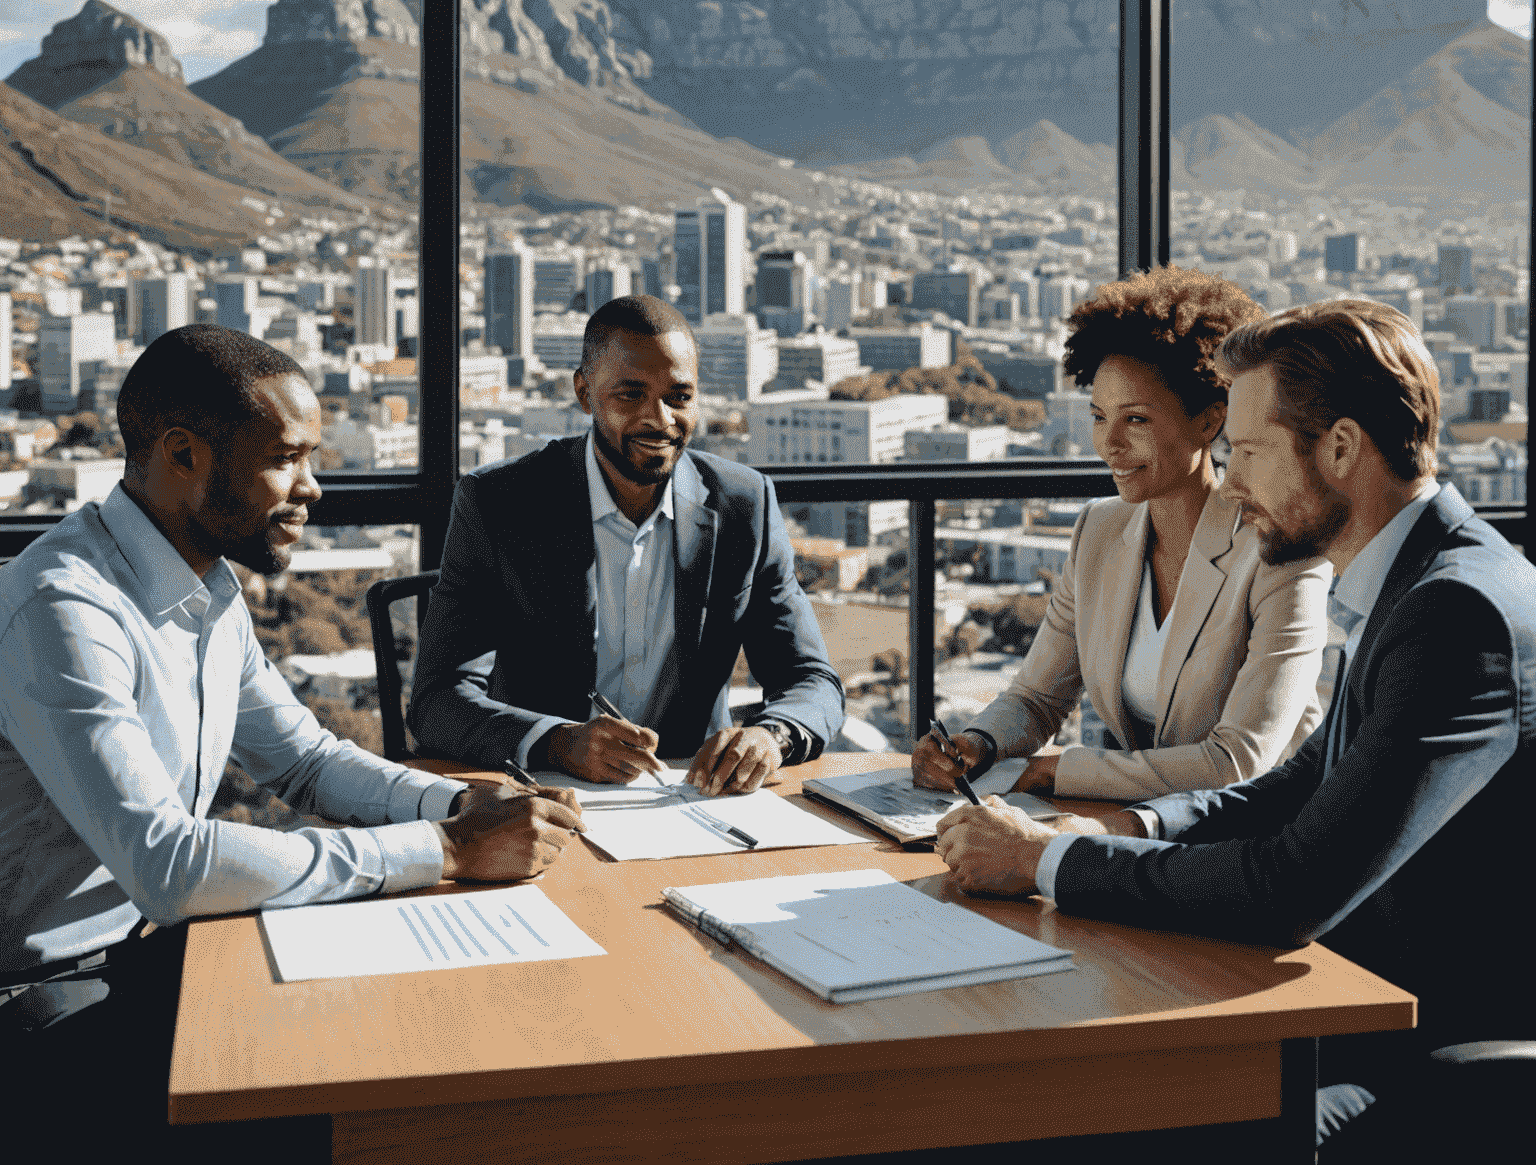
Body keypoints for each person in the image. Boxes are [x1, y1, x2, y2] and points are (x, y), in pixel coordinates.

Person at [934, 299, 1536, 1153]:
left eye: (1249, 452)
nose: (1235, 480)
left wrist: (1047, 859)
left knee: (1102, 1110)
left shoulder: (1455, 612)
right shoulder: (1422, 580)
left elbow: (1293, 890)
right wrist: (1131, 824)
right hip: (1355, 997)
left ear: (1340, 448)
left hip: (1424, 1053)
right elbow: (1297, 784)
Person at [0, 326, 583, 1160]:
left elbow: (304, 760)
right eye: (286, 460)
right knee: (342, 1100)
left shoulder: (204, 581)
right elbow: (167, 866)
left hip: (145, 956)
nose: (313, 488)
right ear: (182, 454)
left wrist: (459, 801)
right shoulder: (65, 610)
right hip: (41, 1001)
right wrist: (445, 849)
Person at [914, 265, 1328, 803]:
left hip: (1261, 836)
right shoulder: (1099, 531)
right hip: (1145, 824)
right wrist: (978, 744)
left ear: (1208, 423)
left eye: (1135, 420)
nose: (1109, 443)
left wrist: (1047, 774)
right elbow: (1039, 697)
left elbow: (1237, 762)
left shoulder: (1280, 552)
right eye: (1098, 416)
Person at [410, 294, 845, 794]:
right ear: (584, 392)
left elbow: (813, 680)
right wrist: (558, 742)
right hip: (542, 794)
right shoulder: (499, 503)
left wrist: (773, 736)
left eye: (679, 397)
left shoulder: (743, 505)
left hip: (692, 795)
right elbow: (437, 701)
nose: (658, 419)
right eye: (630, 395)